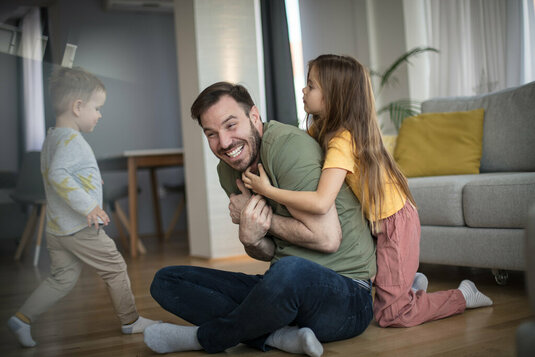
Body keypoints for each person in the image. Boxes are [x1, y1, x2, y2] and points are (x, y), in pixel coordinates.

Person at [243, 54, 493, 328]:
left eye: (311, 86)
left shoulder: (341, 140)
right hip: (374, 220)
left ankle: (462, 296)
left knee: (392, 315)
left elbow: (320, 202)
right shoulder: (320, 131)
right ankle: (407, 285)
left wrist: (267, 190)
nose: (303, 90)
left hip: (395, 222)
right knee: (384, 294)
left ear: (334, 95)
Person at [144, 82, 377, 355]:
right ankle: (278, 335)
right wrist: (250, 237)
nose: (224, 143)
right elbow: (268, 252)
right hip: (282, 290)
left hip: (347, 296)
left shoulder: (287, 147)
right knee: (166, 281)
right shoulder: (229, 169)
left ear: (254, 116)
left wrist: (257, 219)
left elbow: (327, 239)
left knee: (288, 271)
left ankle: (204, 338)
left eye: (230, 126)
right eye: (212, 134)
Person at [7, 67, 159, 348]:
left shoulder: (52, 137)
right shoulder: (73, 140)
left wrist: (90, 181)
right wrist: (89, 204)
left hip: (57, 229)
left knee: (61, 279)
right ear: (78, 107)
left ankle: (22, 318)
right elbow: (58, 175)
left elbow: (61, 173)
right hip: (79, 228)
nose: (99, 115)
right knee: (114, 267)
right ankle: (130, 321)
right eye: (97, 108)